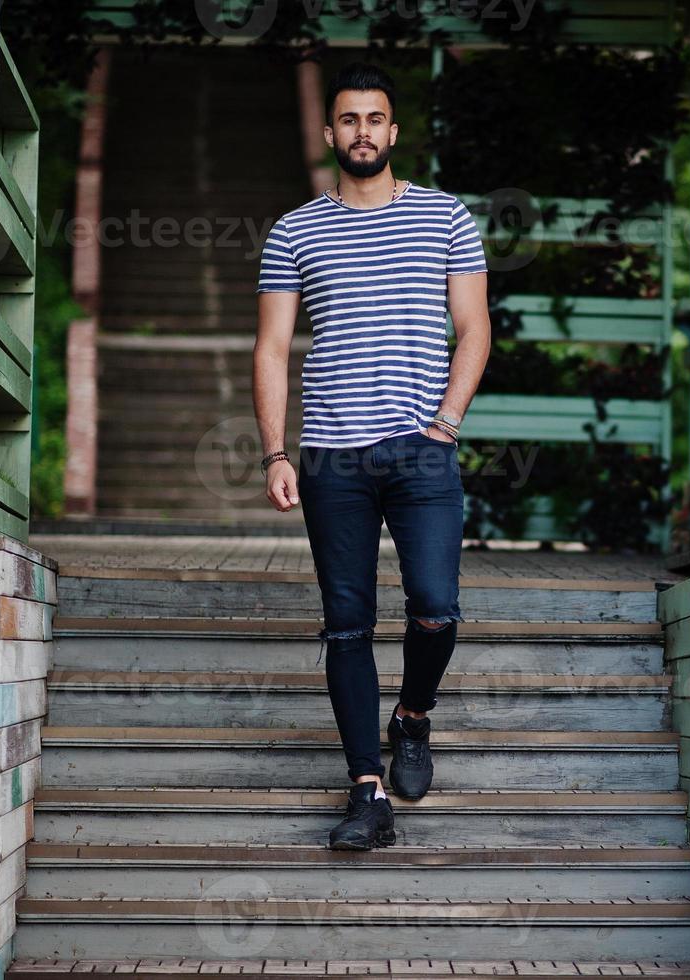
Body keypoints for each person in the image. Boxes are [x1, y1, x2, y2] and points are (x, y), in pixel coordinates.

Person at [252, 61, 490, 849]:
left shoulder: (446, 217)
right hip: (331, 458)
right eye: (348, 120)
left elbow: (475, 328)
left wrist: (446, 423)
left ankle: (412, 716)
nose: (362, 132)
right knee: (347, 627)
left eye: (374, 119)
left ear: (394, 130)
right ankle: (367, 792)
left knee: (435, 606)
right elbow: (272, 346)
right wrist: (274, 453)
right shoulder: (294, 230)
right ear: (331, 134)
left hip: (422, 452)